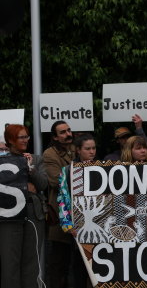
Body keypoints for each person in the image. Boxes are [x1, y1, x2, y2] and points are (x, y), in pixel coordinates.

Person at [0, 124, 48, 288]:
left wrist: (31, 170)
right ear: (10, 140)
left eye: (27, 136)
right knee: (9, 261)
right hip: (9, 216)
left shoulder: (36, 158)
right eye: (21, 137)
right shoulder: (2, 161)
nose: (26, 140)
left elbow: (43, 185)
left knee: (31, 261)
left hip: (33, 213)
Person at [57, 133, 95, 287]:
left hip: (100, 225)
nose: (92, 151)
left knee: (99, 266)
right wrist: (68, 225)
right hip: (78, 227)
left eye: (93, 148)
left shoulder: (104, 168)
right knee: (79, 267)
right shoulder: (68, 170)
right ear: (78, 150)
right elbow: (62, 199)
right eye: (87, 149)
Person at [42, 120, 75, 288]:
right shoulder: (49, 154)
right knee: (58, 264)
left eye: (69, 130)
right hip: (61, 215)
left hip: (79, 213)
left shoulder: (76, 149)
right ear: (55, 137)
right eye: (62, 132)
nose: (67, 134)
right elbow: (56, 181)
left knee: (76, 264)